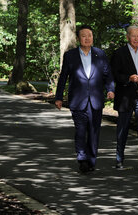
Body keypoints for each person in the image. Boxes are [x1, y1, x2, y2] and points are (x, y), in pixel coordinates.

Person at [55, 25, 115, 174]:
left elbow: (108, 75)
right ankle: (82, 159)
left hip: (95, 100)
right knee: (81, 131)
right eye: (84, 36)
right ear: (78, 39)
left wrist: (111, 89)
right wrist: (59, 97)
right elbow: (63, 77)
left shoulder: (100, 54)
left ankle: (92, 160)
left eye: (90, 35)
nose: (87, 38)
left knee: (94, 132)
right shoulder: (70, 56)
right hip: (78, 100)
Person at [111, 25, 138, 173]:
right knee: (122, 129)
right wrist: (128, 78)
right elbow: (115, 75)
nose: (136, 38)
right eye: (133, 36)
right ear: (127, 37)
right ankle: (119, 159)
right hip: (125, 97)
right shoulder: (119, 53)